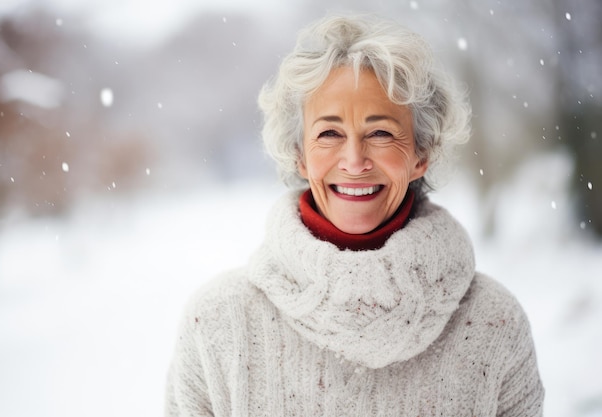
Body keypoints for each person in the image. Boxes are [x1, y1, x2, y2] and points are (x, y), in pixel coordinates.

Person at [164, 14, 544, 416]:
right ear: (300, 156)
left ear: (422, 154)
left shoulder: (493, 325)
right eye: (329, 134)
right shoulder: (218, 324)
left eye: (380, 133)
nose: (354, 160)